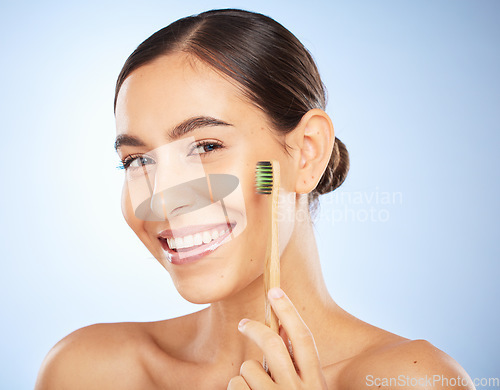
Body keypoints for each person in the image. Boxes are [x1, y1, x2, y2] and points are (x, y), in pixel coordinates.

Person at [35, 8, 474, 390]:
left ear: (307, 153)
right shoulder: (85, 371)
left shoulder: (415, 380)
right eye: (137, 161)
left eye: (206, 147)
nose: (164, 200)